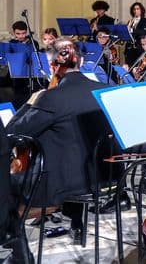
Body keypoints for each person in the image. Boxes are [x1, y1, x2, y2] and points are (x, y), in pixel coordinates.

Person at [5, 37, 109, 254]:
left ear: (53, 65)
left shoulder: (51, 98)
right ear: (79, 61)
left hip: (64, 183)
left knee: (5, 186)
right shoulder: (104, 89)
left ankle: (19, 252)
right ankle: (75, 221)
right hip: (103, 175)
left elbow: (14, 133)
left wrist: (31, 101)